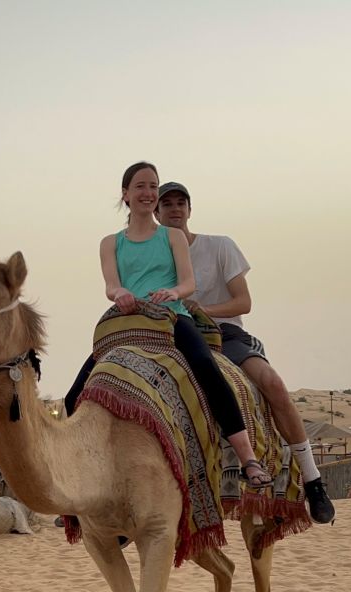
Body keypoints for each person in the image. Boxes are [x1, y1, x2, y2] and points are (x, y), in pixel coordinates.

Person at [69, 160, 273, 489]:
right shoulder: (110, 242)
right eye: (140, 186)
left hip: (171, 315)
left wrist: (173, 292)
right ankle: (84, 478)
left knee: (206, 367)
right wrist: (119, 292)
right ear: (125, 195)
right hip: (128, 321)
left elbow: (188, 283)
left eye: (153, 186)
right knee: (73, 395)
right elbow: (111, 285)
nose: (148, 193)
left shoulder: (172, 236)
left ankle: (248, 457)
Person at [155, 181, 335, 524]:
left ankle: (313, 480)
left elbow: (244, 301)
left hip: (225, 334)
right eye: (167, 205)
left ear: (190, 210)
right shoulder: (155, 256)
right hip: (174, 337)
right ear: (157, 212)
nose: (175, 209)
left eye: (181, 203)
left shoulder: (219, 246)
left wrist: (200, 307)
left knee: (273, 384)